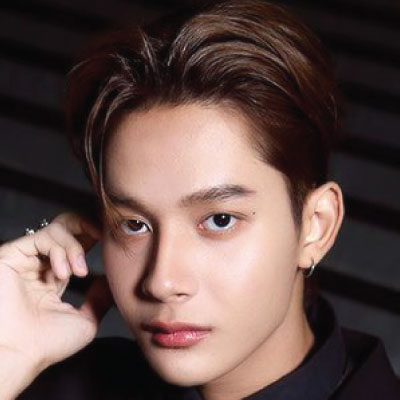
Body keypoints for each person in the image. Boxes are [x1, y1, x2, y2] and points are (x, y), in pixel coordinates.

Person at [0, 1, 399, 399]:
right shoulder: (57, 382)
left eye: (220, 220)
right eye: (135, 224)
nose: (161, 282)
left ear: (316, 226)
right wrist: (9, 357)